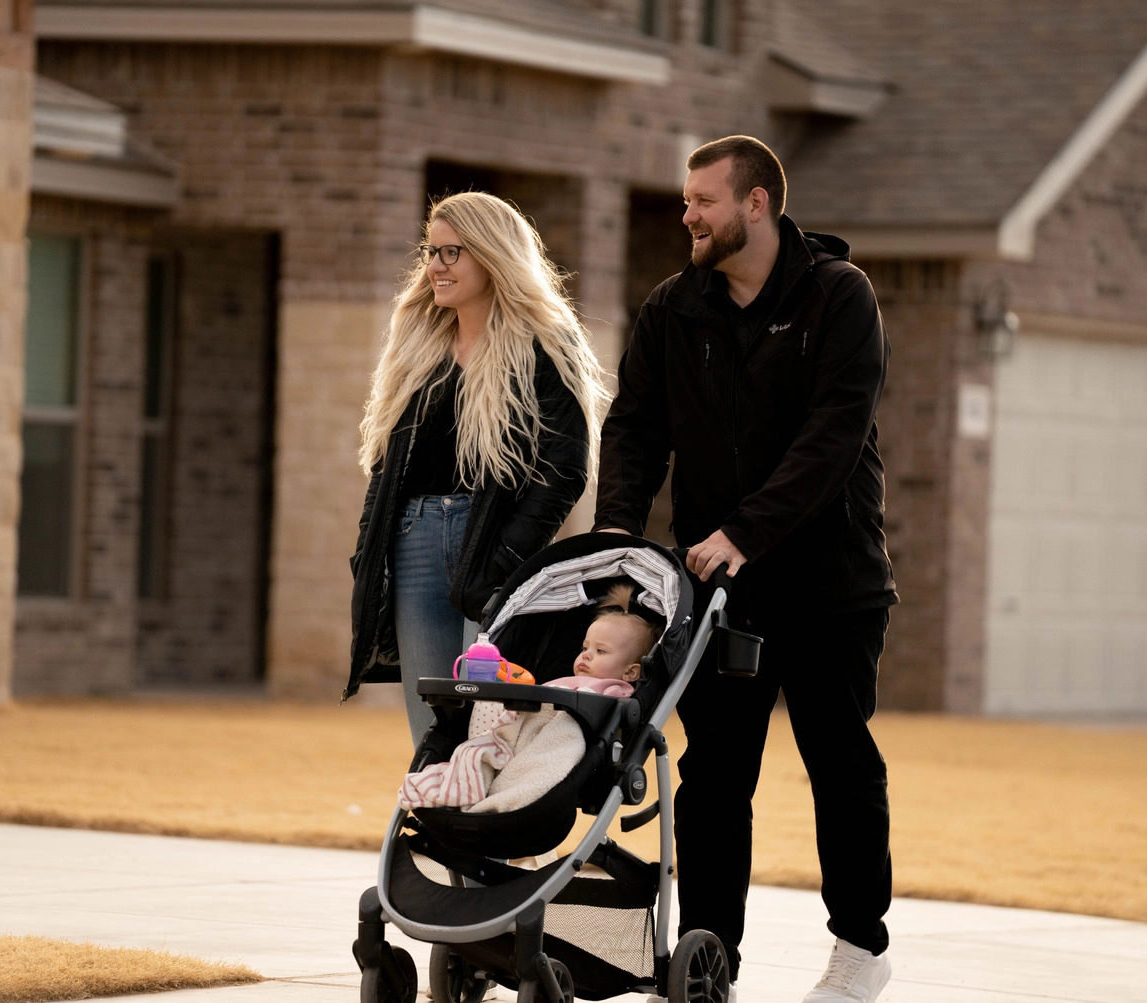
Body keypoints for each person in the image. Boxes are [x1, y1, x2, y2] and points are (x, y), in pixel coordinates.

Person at [595, 135, 898, 1003]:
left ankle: (860, 949)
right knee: (715, 777)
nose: (686, 214)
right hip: (722, 592)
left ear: (756, 203)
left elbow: (832, 437)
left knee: (839, 763)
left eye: (703, 200)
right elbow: (637, 429)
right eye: (687, 200)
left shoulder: (840, 298)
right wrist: (618, 531)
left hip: (832, 585)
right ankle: (707, 958)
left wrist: (746, 529)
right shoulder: (670, 307)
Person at [347, 192, 611, 746]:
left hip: (490, 547)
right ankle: (439, 830)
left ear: (492, 256)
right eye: (430, 251)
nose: (435, 266)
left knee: (489, 731)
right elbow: (386, 464)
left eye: (451, 253)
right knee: (431, 733)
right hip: (413, 544)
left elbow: (563, 467)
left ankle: (486, 830)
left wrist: (507, 558)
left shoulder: (543, 342)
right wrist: (367, 549)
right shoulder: (419, 343)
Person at [399, 583, 658, 812]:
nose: (586, 655)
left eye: (600, 651)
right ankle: (476, 771)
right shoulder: (563, 682)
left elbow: (598, 718)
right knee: (490, 701)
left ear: (631, 672)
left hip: (563, 738)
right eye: (585, 647)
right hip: (522, 734)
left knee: (565, 729)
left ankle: (506, 790)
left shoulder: (615, 690)